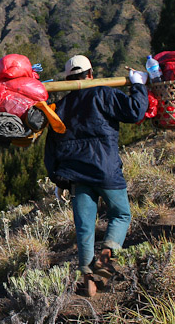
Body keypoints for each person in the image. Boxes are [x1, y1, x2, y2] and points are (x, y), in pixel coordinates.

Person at [44, 55, 149, 297]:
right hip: (106, 170)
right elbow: (135, 112)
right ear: (90, 74)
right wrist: (138, 86)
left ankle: (88, 280)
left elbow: (52, 146)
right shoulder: (104, 94)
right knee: (121, 215)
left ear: (67, 80)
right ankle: (105, 258)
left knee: (84, 228)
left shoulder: (61, 106)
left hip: (77, 175)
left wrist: (57, 178)